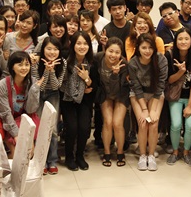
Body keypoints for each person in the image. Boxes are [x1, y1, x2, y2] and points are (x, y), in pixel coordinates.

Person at [128, 33, 168, 171]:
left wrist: (153, 109)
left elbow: (161, 85)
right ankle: (142, 155)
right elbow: (136, 87)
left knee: (153, 123)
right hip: (138, 95)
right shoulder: (133, 63)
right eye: (144, 47)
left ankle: (151, 155)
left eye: (150, 47)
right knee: (143, 122)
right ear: (138, 48)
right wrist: (145, 109)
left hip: (156, 94)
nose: (147, 51)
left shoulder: (161, 60)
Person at [60, 31, 98, 171]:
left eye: (85, 44)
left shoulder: (92, 62)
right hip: (67, 99)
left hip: (85, 100)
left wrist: (86, 79)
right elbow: (60, 82)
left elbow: (94, 86)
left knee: (84, 128)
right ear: (73, 45)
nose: (82, 47)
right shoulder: (65, 60)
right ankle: (69, 157)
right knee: (71, 127)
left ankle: (80, 156)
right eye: (79, 43)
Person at [0, 51, 40, 158]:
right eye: (20, 65)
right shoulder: (3, 85)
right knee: (18, 153)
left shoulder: (33, 82)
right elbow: (5, 113)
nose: (24, 68)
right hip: (8, 121)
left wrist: (34, 90)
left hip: (25, 119)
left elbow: (30, 110)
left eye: (27, 64)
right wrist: (16, 134)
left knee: (29, 153)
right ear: (12, 67)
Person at [165, 29, 191, 167]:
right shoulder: (170, 55)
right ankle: (175, 152)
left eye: (186, 39)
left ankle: (186, 152)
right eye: (180, 39)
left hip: (190, 96)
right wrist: (181, 72)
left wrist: (190, 105)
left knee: (190, 125)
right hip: (175, 96)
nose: (183, 42)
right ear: (175, 41)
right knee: (176, 124)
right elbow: (169, 80)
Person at [33, 37, 66, 174]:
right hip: (38, 94)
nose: (52, 52)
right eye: (49, 49)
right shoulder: (35, 61)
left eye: (55, 49)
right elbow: (38, 87)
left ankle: (52, 161)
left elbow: (56, 86)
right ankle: (41, 160)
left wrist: (51, 71)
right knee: (40, 127)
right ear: (43, 49)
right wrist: (46, 70)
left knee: (52, 129)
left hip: (53, 94)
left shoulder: (62, 62)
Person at [95, 38, 129, 168]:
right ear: (105, 50)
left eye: (117, 52)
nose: (113, 55)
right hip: (105, 94)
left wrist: (115, 74)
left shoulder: (123, 64)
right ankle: (107, 152)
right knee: (108, 122)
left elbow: (118, 89)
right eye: (111, 51)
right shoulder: (98, 58)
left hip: (120, 94)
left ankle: (120, 152)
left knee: (117, 123)